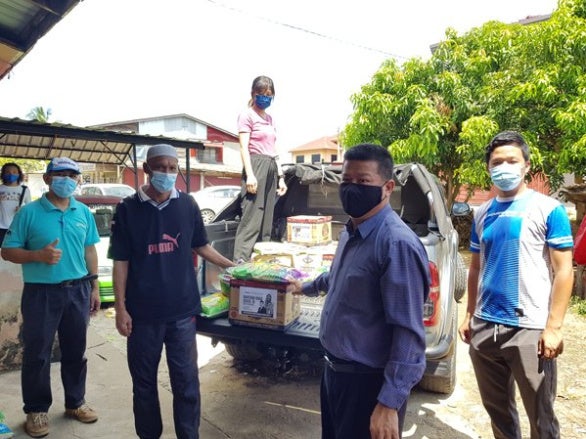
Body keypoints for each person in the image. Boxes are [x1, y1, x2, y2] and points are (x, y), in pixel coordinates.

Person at [292, 143, 430, 439]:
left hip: (368, 386)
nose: (352, 188)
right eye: (346, 180)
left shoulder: (396, 244)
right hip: (335, 374)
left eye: (364, 181)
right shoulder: (351, 230)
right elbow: (338, 278)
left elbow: (408, 333)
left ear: (387, 187)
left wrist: (389, 403)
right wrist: (304, 287)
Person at [109, 144, 235, 439]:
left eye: (172, 168)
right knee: (144, 385)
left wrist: (234, 267)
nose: (166, 173)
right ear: (147, 169)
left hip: (181, 314)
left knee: (187, 383)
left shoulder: (188, 205)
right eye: (160, 167)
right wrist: (121, 308)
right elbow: (121, 262)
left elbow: (200, 245)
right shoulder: (128, 208)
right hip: (142, 317)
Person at [458, 131, 574, 439]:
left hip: (529, 330)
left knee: (541, 419)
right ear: (488, 168)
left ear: (526, 166)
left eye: (512, 160)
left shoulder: (549, 209)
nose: (504, 167)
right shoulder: (482, 213)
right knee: (499, 415)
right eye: (497, 162)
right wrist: (470, 314)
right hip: (485, 329)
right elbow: (476, 268)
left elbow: (564, 271)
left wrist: (554, 327)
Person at [1, 157, 100, 438]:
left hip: (78, 290)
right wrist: (37, 256)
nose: (67, 179)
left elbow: (90, 251)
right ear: (47, 179)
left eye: (73, 174)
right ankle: (36, 409)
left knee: (75, 351)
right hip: (41, 293)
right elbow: (7, 251)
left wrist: (94, 287)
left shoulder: (83, 212)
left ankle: (75, 402)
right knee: (38, 354)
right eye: (60, 174)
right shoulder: (28, 213)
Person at [233, 75, 287, 262]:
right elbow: (243, 147)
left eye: (269, 94)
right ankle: (239, 264)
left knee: (266, 218)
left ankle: (260, 263)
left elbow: (274, 148)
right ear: (253, 94)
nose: (265, 97)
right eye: (261, 94)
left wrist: (281, 176)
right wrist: (250, 175)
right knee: (251, 219)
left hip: (271, 165)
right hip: (256, 165)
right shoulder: (247, 115)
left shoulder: (270, 119)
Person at [0, 162, 31, 243]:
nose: (11, 174)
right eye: (7, 172)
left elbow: (30, 208)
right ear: (3, 174)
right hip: (1, 227)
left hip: (17, 227)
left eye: (14, 172)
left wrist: (22, 209)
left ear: (19, 174)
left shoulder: (24, 189)